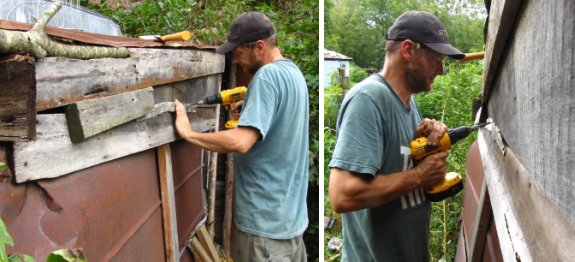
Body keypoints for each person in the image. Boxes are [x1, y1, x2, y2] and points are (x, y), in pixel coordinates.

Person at [328, 10, 465, 261]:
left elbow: (397, 165)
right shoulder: (368, 99)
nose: (441, 70)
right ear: (408, 50)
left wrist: (426, 146)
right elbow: (342, 194)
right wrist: (419, 175)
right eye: (437, 60)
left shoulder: (410, 106)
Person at [173, 11, 309, 262]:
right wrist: (253, 107)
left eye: (238, 53)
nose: (235, 61)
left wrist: (189, 133)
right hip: (290, 225)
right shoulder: (294, 74)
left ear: (259, 47)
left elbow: (241, 141)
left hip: (263, 231)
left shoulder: (266, 77)